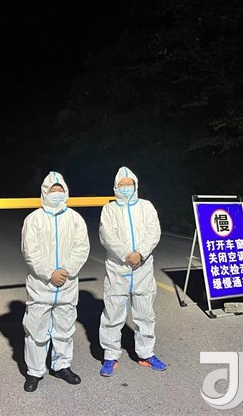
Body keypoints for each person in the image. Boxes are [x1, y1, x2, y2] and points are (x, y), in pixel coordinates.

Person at [21, 171, 90, 392]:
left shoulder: (75, 219)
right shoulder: (34, 219)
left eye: (61, 190)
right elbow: (30, 251)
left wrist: (66, 271)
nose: (57, 193)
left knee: (65, 328)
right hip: (42, 285)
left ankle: (62, 366)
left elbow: (82, 248)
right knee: (36, 330)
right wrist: (49, 273)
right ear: (45, 192)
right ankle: (34, 371)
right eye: (53, 190)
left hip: (67, 285)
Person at [98, 166, 166, 377]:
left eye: (129, 184)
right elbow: (107, 236)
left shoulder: (146, 207)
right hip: (118, 268)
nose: (126, 187)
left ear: (135, 186)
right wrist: (127, 254)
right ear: (115, 187)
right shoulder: (109, 209)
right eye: (122, 184)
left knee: (145, 314)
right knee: (112, 313)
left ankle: (146, 353)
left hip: (142, 268)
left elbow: (153, 232)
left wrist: (140, 253)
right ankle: (110, 355)